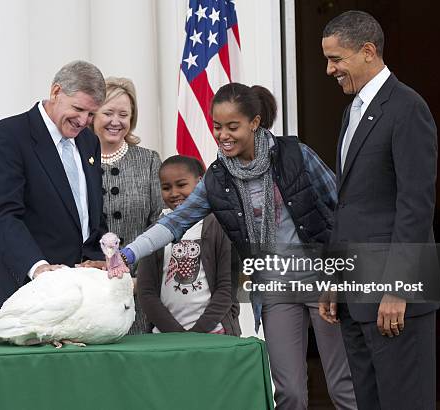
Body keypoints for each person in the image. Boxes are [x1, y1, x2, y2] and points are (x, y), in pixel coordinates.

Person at [122, 83, 356, 409]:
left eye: (233, 126)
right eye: (217, 127)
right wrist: (129, 252)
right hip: (275, 290)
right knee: (288, 391)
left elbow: (342, 208)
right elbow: (175, 222)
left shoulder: (295, 156)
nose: (223, 135)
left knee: (343, 386)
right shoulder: (218, 178)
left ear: (254, 123)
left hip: (321, 282)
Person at [319, 10, 440, 409]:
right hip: (358, 297)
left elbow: (415, 207)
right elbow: (349, 204)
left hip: (394, 302)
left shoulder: (407, 107)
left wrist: (398, 288)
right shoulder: (351, 110)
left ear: (368, 51)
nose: (329, 69)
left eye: (337, 59)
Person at [0, 60, 108, 309]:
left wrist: (103, 259)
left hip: (87, 295)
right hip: (32, 292)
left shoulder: (89, 142)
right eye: (79, 109)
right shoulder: (9, 135)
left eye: (91, 114)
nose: (84, 121)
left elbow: (91, 217)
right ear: (56, 92)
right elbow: (3, 216)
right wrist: (39, 268)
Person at [89, 77, 162, 334]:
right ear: (93, 114)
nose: (115, 121)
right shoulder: (75, 159)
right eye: (108, 113)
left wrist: (141, 278)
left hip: (138, 288)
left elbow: (158, 223)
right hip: (89, 291)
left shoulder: (149, 160)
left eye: (124, 114)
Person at [137, 155, 240, 336]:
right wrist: (177, 334)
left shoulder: (221, 228)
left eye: (181, 185)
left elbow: (226, 289)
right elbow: (146, 293)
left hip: (214, 333)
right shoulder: (154, 233)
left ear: (200, 183)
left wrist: (198, 333)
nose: (174, 193)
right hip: (166, 337)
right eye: (166, 188)